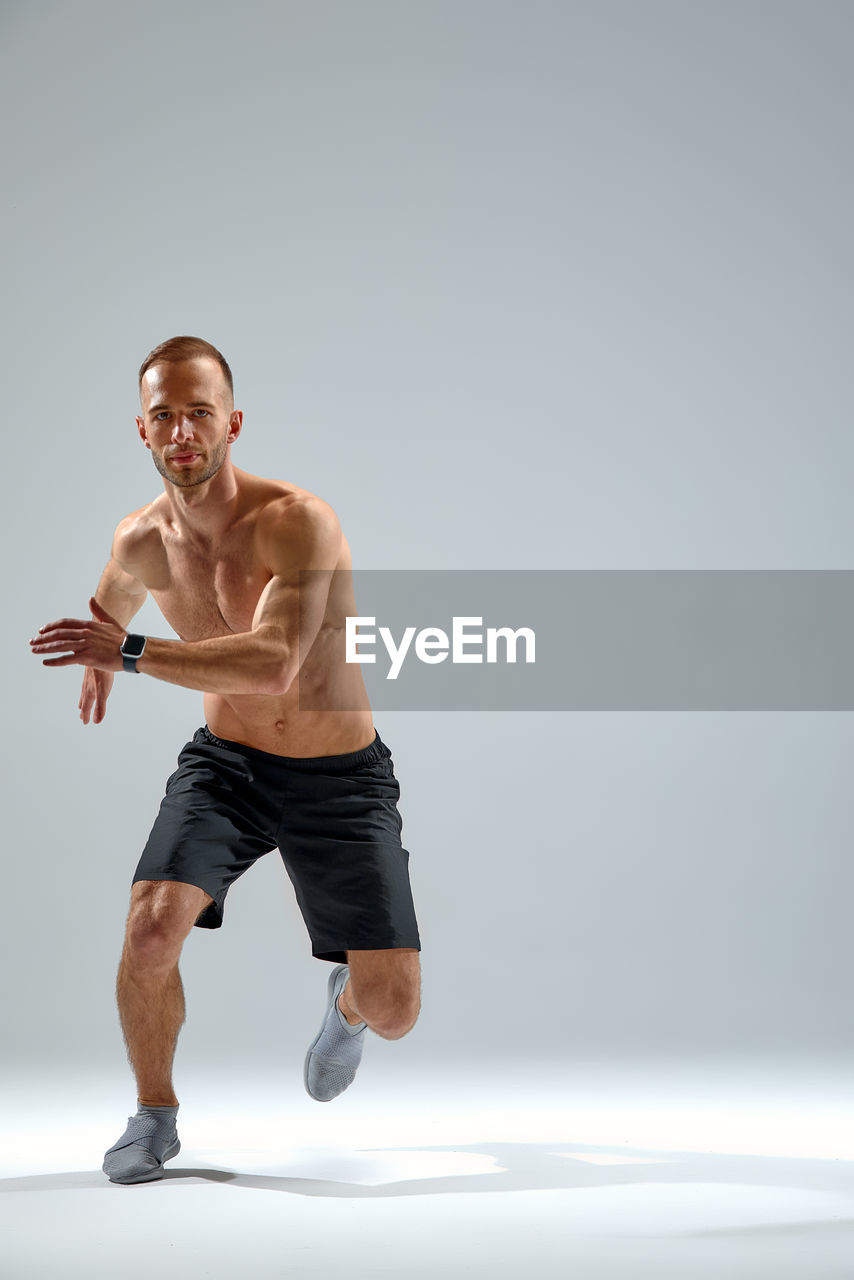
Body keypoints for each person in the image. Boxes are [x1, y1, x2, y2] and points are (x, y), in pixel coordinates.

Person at [29, 335, 422, 1185]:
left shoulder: (297, 521)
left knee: (395, 1009)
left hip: (340, 778)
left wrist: (127, 652)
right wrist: (101, 646)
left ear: (231, 422)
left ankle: (345, 1009)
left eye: (199, 413)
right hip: (228, 768)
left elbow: (275, 659)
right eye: (163, 415)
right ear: (141, 430)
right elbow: (116, 592)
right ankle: (154, 1115)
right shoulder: (141, 538)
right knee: (148, 929)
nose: (182, 432)